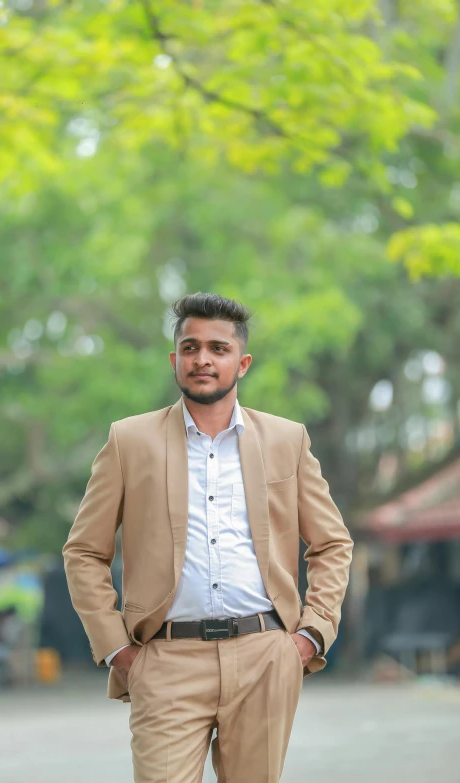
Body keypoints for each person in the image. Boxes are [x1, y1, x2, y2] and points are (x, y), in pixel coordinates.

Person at [63, 293, 353, 783]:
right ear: (174, 359)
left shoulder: (287, 439)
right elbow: (84, 551)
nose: (202, 359)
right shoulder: (129, 441)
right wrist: (118, 649)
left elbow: (331, 544)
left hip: (265, 655)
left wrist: (309, 636)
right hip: (166, 658)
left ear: (241, 363)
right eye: (190, 347)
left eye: (217, 348)